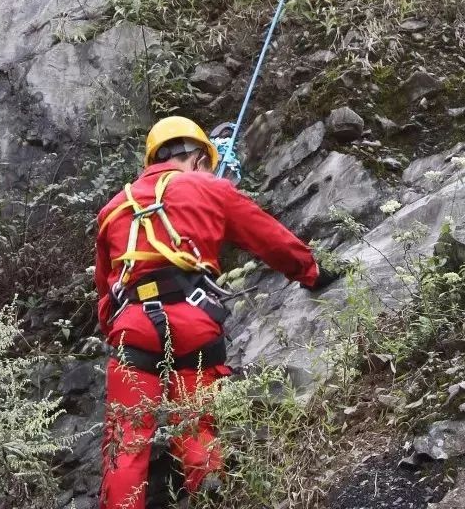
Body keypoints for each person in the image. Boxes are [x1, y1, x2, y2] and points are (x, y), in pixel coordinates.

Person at [96, 115, 338, 509]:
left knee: (125, 443)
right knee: (196, 430)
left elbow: (106, 292)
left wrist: (120, 334)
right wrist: (311, 272)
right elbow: (269, 238)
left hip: (133, 327)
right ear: (197, 158)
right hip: (194, 322)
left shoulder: (114, 208)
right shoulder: (211, 188)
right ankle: (209, 494)